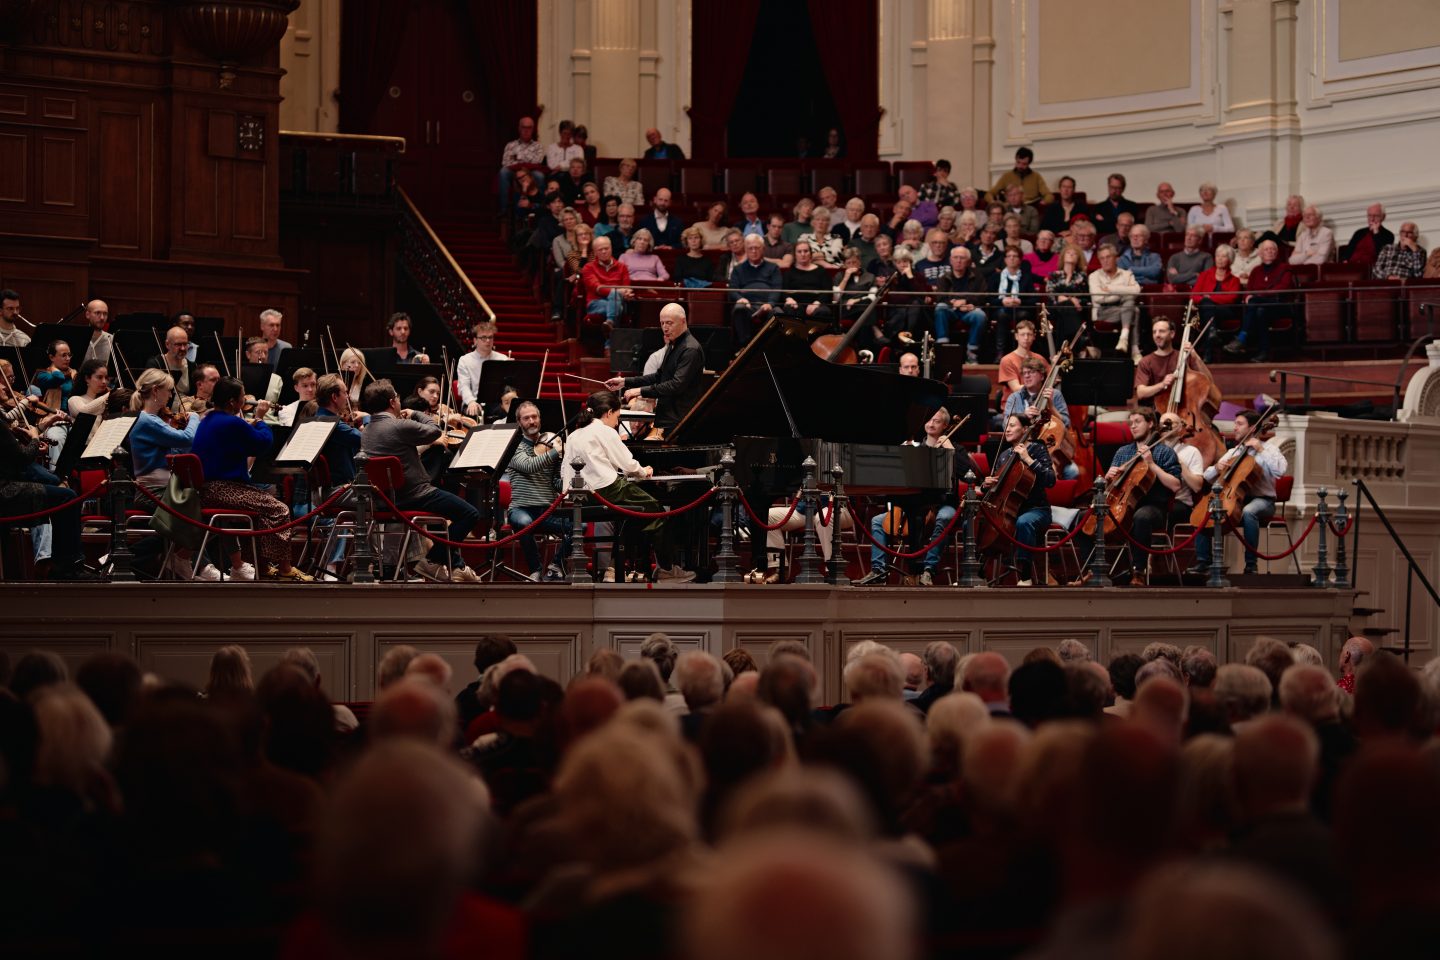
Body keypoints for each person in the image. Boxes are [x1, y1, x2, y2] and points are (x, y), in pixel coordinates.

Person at [191, 376, 313, 581]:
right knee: (279, 510)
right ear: (232, 402)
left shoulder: (209, 419)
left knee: (261, 512)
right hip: (224, 489)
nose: (245, 399)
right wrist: (260, 419)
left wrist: (250, 423)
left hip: (208, 489)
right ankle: (285, 569)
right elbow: (263, 443)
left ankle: (262, 566)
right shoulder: (230, 422)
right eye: (241, 396)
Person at [361, 379, 480, 583]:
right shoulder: (399, 426)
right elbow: (435, 431)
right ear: (392, 402)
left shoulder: (368, 431)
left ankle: (448, 563)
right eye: (397, 398)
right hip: (414, 495)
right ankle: (434, 559)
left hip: (387, 498)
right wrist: (416, 413)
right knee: (470, 513)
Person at [567, 389, 693, 582]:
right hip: (607, 489)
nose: (617, 423)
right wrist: (644, 471)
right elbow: (627, 462)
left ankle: (615, 567)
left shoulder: (575, 434)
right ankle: (666, 570)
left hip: (579, 495)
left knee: (634, 518)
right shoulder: (605, 430)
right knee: (658, 513)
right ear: (609, 412)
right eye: (617, 417)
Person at [854, 408, 966, 587]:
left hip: (943, 504)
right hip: (914, 503)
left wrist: (949, 449)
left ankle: (928, 570)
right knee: (877, 521)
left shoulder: (955, 448)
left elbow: (967, 472)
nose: (931, 424)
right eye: (929, 420)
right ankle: (879, 570)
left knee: (944, 518)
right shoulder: (915, 449)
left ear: (945, 425)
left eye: (936, 421)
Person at [1073, 407, 1181, 586]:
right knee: (1082, 518)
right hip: (1120, 503)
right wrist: (1108, 477)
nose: (1133, 426)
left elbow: (1175, 485)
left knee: (1141, 517)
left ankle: (1138, 571)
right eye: (1130, 423)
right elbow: (1110, 486)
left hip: (1152, 506)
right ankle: (1092, 570)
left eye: (1138, 422)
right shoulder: (1123, 452)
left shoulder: (1164, 452)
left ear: (1151, 423)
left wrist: (1151, 464)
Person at [1189, 407, 1287, 576]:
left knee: (1249, 512)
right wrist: (1216, 467)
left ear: (1252, 428)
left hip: (1263, 501)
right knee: (1207, 510)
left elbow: (1280, 471)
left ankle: (1251, 565)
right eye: (1235, 423)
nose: (1234, 427)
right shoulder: (1234, 452)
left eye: (1239, 424)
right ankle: (1204, 561)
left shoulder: (1269, 449)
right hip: (1236, 498)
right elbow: (1207, 476)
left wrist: (1260, 449)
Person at [607, 302, 704, 432]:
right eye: (662, 323)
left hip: (682, 421)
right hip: (669, 418)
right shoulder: (673, 344)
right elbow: (660, 376)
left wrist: (640, 391)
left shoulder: (690, 349)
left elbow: (676, 385)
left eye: (669, 323)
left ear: (683, 321)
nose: (665, 328)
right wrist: (625, 382)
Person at [984, 413, 1055, 586]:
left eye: (1012, 425)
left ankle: (1025, 575)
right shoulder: (1004, 455)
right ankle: (978, 572)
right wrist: (987, 483)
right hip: (1009, 510)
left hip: (1036, 509)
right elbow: (998, 488)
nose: (1007, 429)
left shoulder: (1037, 449)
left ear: (1025, 429)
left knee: (1023, 522)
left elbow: (1050, 480)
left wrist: (1028, 459)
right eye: (1006, 425)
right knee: (985, 521)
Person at [505, 401, 570, 581]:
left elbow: (555, 482)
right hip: (521, 508)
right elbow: (528, 466)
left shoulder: (551, 444)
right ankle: (535, 570)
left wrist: (571, 482)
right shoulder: (514, 446)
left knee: (580, 527)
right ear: (519, 422)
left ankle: (555, 566)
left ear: (540, 419)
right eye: (526, 418)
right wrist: (555, 453)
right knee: (525, 522)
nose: (532, 421)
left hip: (546, 510)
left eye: (534, 417)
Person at [1224, 239, 1293, 363]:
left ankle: (1242, 337)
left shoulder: (1285, 268)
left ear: (1277, 253)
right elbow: (1248, 291)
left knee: (1255, 303)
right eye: (1266, 249)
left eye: (1273, 249)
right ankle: (1263, 352)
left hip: (1279, 305)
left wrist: (1257, 296)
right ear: (1260, 253)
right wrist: (1249, 297)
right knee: (1260, 311)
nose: (1270, 251)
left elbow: (1282, 289)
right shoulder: (1256, 271)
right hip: (1260, 308)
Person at [933, 245, 989, 362]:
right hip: (950, 310)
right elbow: (940, 298)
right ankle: (943, 348)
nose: (958, 261)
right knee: (940, 308)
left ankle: (972, 352)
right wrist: (955, 304)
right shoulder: (944, 278)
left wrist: (966, 302)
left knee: (980, 315)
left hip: (969, 310)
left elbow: (983, 295)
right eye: (956, 257)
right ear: (950, 260)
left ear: (968, 261)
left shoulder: (977, 276)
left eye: (962, 258)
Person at [1189, 245, 1242, 362]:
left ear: (1230, 259)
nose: (1220, 259)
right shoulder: (1205, 275)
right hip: (1207, 312)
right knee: (1209, 313)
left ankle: (1207, 352)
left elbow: (1232, 298)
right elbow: (1194, 295)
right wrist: (1207, 300)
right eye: (1218, 256)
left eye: (1224, 256)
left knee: (1207, 304)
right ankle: (1211, 336)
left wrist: (1210, 298)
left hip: (1226, 312)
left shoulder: (1234, 280)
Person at [728, 234, 782, 346]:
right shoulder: (738, 269)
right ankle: (745, 347)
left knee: (778, 313)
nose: (754, 251)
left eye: (757, 248)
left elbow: (777, 288)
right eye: (750, 248)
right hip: (748, 305)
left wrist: (770, 304)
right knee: (739, 308)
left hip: (767, 304)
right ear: (746, 250)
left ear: (763, 249)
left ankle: (772, 347)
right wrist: (740, 298)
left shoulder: (773, 268)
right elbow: (732, 289)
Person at [1090, 244, 1142, 359]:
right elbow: (1098, 298)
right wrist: (1124, 293)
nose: (1105, 261)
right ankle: (1135, 350)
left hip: (1124, 310)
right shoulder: (1094, 276)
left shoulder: (1126, 274)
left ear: (1116, 258)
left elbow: (1137, 290)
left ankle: (1124, 338)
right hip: (1104, 311)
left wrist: (1110, 289)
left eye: (1108, 257)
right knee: (1132, 306)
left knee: (1133, 307)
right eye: (1102, 258)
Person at [456, 320, 511, 419]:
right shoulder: (465, 360)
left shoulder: (503, 359)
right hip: (473, 401)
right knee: (473, 413)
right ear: (475, 340)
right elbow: (464, 386)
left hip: (496, 402)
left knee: (509, 413)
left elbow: (508, 386)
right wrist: (471, 401)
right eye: (483, 338)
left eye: (490, 337)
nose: (488, 341)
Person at [990, 245, 1037, 358]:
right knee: (1002, 315)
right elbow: (989, 299)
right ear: (1005, 259)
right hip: (1002, 310)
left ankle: (1022, 352)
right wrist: (1002, 301)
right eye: (1009, 256)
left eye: (1015, 256)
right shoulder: (996, 277)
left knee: (1022, 315)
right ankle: (1000, 353)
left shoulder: (1026, 277)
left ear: (1020, 260)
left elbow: (1033, 299)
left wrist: (1020, 301)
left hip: (1021, 310)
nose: (1011, 258)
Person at [498, 116, 545, 215]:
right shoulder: (510, 145)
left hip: (531, 173)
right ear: (519, 128)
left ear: (533, 129)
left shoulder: (538, 146)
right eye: (524, 127)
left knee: (539, 175)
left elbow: (537, 161)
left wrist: (518, 160)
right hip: (513, 173)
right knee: (503, 172)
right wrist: (525, 163)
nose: (526, 130)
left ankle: (539, 207)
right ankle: (504, 210)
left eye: (529, 128)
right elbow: (506, 162)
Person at [1046, 245, 1091, 348]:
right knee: (1067, 304)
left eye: (1074, 253)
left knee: (1065, 310)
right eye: (1068, 253)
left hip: (1075, 310)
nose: (1071, 254)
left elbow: (1085, 297)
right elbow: (1051, 294)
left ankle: (1061, 350)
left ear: (1078, 258)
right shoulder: (1054, 275)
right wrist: (1071, 299)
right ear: (1063, 257)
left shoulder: (1082, 276)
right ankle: (1079, 338)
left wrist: (1067, 299)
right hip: (1054, 308)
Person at [997, 318, 1049, 403]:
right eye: (1022, 334)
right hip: (1015, 407)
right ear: (1016, 336)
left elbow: (1053, 380)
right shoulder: (1007, 360)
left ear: (1034, 337)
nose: (1026, 338)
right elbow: (1016, 389)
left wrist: (1056, 364)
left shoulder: (1040, 358)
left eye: (1029, 334)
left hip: (1036, 404)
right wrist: (1039, 386)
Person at [780, 240, 833, 322]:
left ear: (810, 253)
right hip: (795, 304)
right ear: (795, 254)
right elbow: (784, 291)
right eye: (799, 251)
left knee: (823, 311)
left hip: (817, 304)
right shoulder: (789, 272)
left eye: (806, 251)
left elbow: (828, 291)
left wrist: (816, 303)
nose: (803, 254)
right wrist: (789, 299)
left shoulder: (821, 271)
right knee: (791, 309)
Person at [143, 325, 195, 397]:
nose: (183, 348)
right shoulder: (155, 364)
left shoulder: (192, 366)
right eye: (178, 344)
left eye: (185, 344)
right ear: (167, 344)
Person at [1342, 203, 1393, 270]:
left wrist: (1376, 233)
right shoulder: (1359, 233)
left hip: (1370, 270)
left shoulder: (1388, 235)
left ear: (1383, 217)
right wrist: (1345, 261)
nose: (1372, 219)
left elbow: (1381, 256)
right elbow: (1348, 252)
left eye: (1375, 216)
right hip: (1351, 268)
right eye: (1369, 215)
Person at [1090, 173, 1139, 238]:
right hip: (1106, 241)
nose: (1113, 191)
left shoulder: (1132, 206)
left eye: (1117, 188)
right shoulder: (1098, 208)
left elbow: (1134, 229)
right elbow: (1097, 229)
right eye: (1111, 187)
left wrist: (1107, 221)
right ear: (1108, 186)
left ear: (1123, 189)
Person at [243, 337, 282, 406]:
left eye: (266, 352)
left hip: (269, 417)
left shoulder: (277, 379)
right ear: (248, 354)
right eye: (258, 352)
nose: (263, 356)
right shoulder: (239, 375)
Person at [80, 299, 113, 370]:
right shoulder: (77, 338)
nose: (102, 318)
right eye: (97, 313)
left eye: (105, 314)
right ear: (87, 315)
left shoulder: (112, 340)